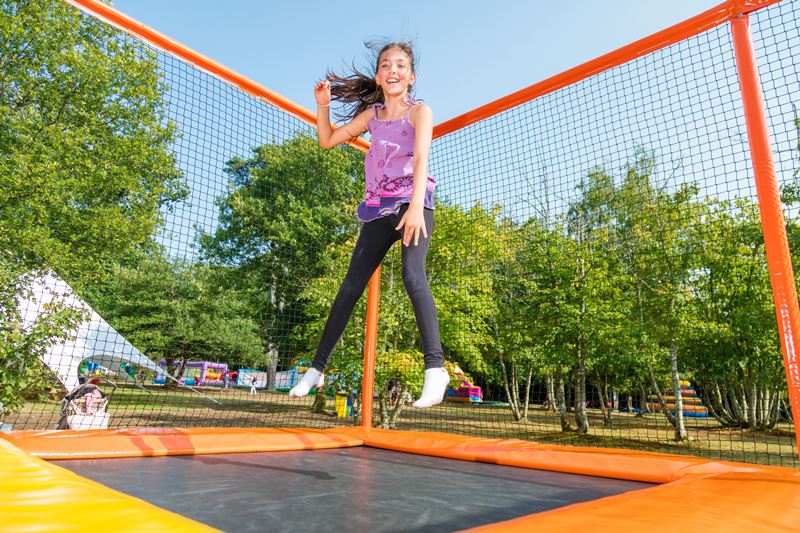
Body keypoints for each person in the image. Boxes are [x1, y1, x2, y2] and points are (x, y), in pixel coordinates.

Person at [289, 41, 449, 408]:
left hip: (413, 204)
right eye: (386, 66)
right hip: (379, 209)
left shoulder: (418, 111)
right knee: (348, 287)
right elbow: (328, 140)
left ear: (411, 76)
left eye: (400, 66)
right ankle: (316, 369)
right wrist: (323, 105)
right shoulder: (373, 115)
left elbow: (422, 155)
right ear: (378, 76)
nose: (393, 71)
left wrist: (413, 206)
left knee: (413, 276)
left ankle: (435, 369)